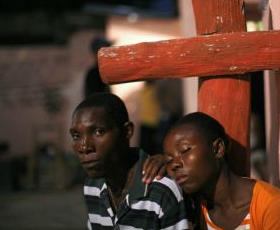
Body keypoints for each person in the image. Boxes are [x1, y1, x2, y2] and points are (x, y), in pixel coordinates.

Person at [69, 92, 195, 229]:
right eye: (76, 135)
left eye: (98, 131)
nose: (84, 147)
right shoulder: (92, 186)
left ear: (127, 131)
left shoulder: (161, 190)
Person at [163, 112, 280, 230]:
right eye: (168, 160)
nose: (174, 164)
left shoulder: (271, 205)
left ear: (218, 149)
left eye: (184, 151)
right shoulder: (193, 209)